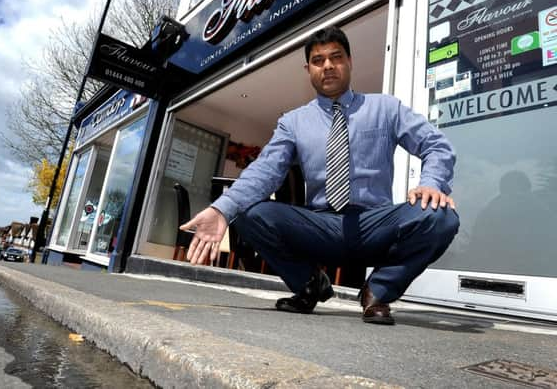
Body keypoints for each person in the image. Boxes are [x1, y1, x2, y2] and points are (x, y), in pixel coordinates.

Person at [181, 26, 459, 325]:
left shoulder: (385, 108)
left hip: (374, 224)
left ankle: (379, 291)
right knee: (247, 212)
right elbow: (265, 171)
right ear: (308, 69)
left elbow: (436, 145)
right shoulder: (293, 122)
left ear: (349, 62)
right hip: (320, 226)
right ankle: (310, 285)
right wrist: (221, 209)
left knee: (441, 217)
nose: (327, 65)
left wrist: (431, 183)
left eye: (336, 57)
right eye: (318, 60)